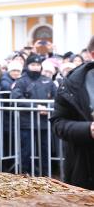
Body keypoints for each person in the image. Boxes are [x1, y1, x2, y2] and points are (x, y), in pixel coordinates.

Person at [50, 35, 94, 190]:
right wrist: (88, 129)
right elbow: (58, 123)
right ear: (92, 54)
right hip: (85, 169)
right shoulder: (73, 83)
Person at [11, 54, 57, 176]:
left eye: (37, 65)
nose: (36, 67)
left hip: (44, 121)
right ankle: (24, 174)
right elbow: (16, 97)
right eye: (33, 65)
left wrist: (48, 108)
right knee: (26, 150)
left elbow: (57, 98)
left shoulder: (48, 80)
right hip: (27, 122)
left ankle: (46, 174)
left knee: (45, 150)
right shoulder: (21, 81)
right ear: (28, 66)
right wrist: (35, 108)